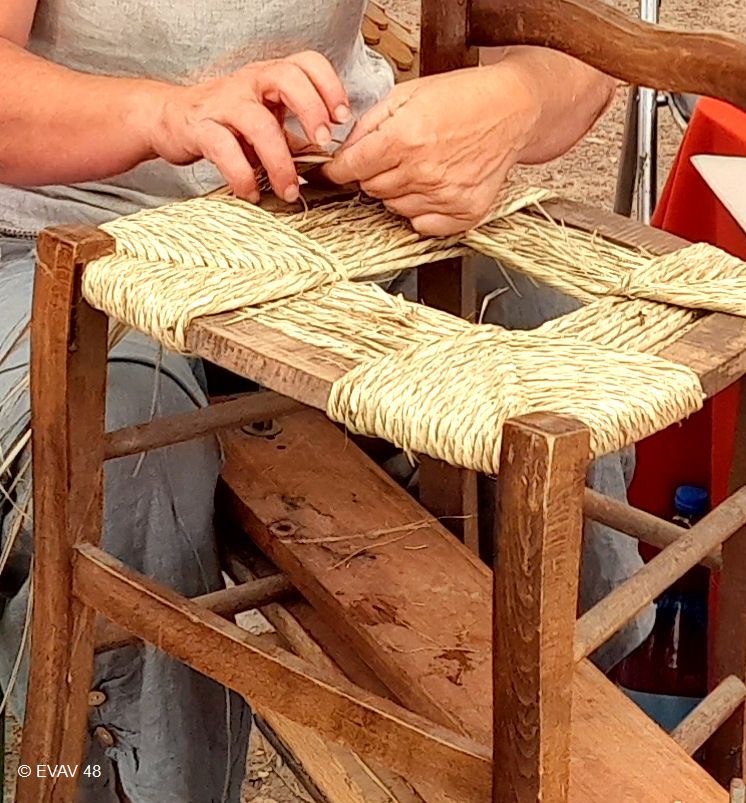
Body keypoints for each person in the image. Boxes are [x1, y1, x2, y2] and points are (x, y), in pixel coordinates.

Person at [0, 2, 649, 800]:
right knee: (136, 451)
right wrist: (164, 111)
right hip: (65, 234)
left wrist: (512, 100)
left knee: (563, 352)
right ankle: (126, 778)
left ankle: (551, 758)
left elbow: (577, 49)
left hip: (322, 218)